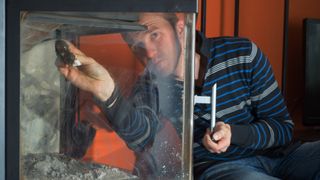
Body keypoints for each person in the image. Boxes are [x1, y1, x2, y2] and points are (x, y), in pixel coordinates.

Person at [56, 13, 320, 180]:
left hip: (285, 155)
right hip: (220, 168)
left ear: (180, 28)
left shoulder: (243, 54)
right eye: (137, 45)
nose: (148, 52)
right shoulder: (149, 84)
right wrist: (108, 93)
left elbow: (282, 128)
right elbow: (142, 136)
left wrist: (235, 134)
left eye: (155, 35)